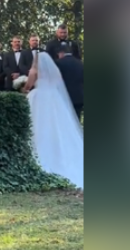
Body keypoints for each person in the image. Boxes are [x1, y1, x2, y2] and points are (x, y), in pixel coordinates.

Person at [23, 52, 84, 190]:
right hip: (54, 98)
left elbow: (29, 84)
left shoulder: (34, 70)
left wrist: (24, 87)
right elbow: (58, 83)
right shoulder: (55, 70)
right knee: (56, 125)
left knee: (37, 124)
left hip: (39, 97)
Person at [54, 45, 84, 121]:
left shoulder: (58, 63)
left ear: (61, 53)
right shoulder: (80, 63)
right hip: (79, 96)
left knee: (64, 121)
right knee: (77, 120)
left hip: (64, 96)